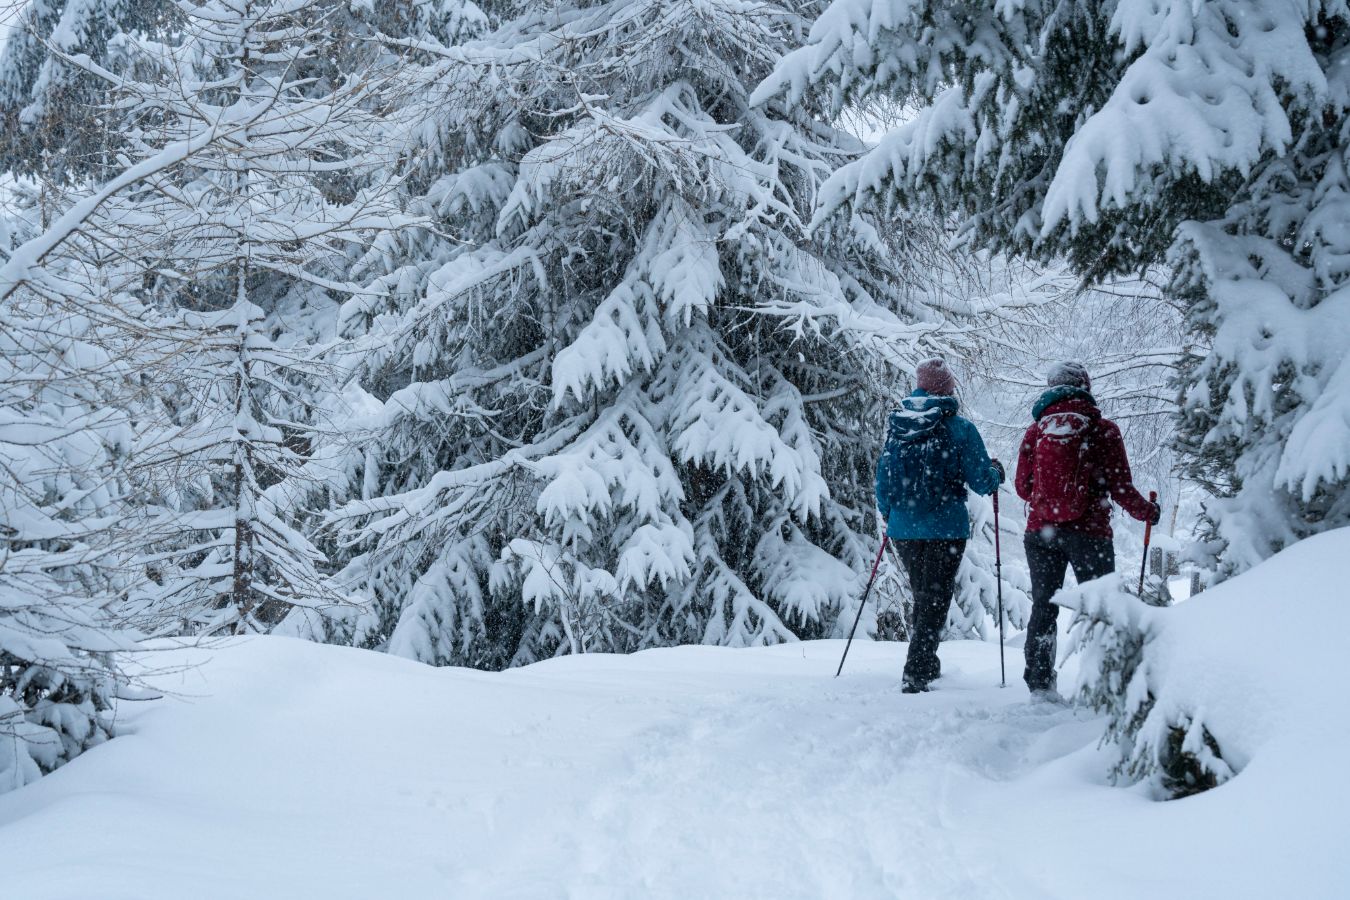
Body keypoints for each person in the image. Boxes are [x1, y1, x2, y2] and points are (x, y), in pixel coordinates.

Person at [1014, 361, 1160, 700]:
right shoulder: (1102, 429)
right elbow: (1121, 487)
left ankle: (1039, 683)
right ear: (1085, 386)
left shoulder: (1036, 432)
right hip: (1089, 533)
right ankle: (1103, 684)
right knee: (1100, 608)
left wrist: (1048, 500)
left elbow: (1022, 487)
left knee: (1044, 605)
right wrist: (1147, 512)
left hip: (1040, 533)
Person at [875, 358, 1003, 694]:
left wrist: (891, 514)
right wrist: (996, 474)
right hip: (945, 528)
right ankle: (916, 669)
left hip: (904, 529)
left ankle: (926, 663)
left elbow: (882, 478)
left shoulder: (899, 426)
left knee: (924, 596)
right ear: (947, 388)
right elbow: (981, 481)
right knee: (935, 598)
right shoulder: (960, 429)